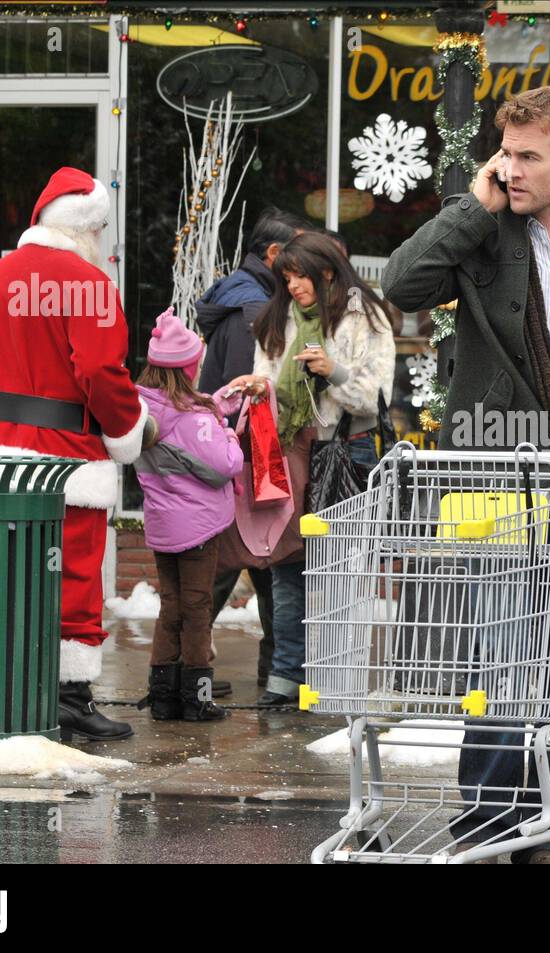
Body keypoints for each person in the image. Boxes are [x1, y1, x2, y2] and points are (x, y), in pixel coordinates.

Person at [382, 85, 550, 863]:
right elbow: (399, 285)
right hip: (494, 475)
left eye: (529, 156)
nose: (511, 169)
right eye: (505, 152)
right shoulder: (484, 233)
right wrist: (472, 205)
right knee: (503, 657)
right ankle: (490, 816)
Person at [0, 166, 149, 743]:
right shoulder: (89, 284)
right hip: (66, 456)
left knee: (4, 575)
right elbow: (98, 370)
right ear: (90, 229)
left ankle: (0, 692)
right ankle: (68, 697)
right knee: (72, 576)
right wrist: (127, 431)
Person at [226, 231, 396, 706]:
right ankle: (285, 680)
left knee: (343, 569)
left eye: (300, 276)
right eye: (286, 277)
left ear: (326, 273)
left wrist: (332, 371)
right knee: (285, 567)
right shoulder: (274, 319)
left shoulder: (366, 317)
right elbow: (269, 380)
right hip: (288, 451)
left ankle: (340, 679)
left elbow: (376, 396)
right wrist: (258, 389)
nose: (293, 286)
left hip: (348, 450)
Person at [196, 207, 309, 692]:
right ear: (273, 255)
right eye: (296, 257)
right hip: (246, 450)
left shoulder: (236, 296)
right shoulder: (253, 312)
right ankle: (205, 667)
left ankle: (197, 666)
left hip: (226, 445)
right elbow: (251, 393)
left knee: (243, 560)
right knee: (256, 556)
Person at [133, 308, 244, 722]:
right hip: (198, 526)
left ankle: (162, 695)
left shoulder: (142, 408)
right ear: (188, 367)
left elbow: (178, 438)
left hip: (162, 523)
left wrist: (214, 408)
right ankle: (197, 699)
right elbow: (224, 464)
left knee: (171, 604)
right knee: (197, 608)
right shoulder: (196, 418)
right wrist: (228, 430)